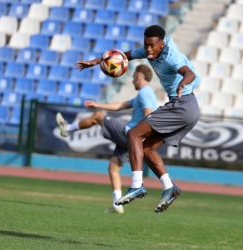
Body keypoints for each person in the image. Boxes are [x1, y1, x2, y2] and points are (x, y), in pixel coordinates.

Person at [75, 25, 200, 213]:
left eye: (152, 46)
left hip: (182, 105)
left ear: (161, 44)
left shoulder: (172, 57)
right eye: (146, 44)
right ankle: (169, 187)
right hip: (188, 109)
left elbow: (190, 73)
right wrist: (96, 61)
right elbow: (123, 56)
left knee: (133, 134)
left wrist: (183, 82)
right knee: (148, 149)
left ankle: (137, 185)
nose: (148, 49)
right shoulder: (148, 50)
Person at [56, 64, 157, 214]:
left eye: (133, 78)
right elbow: (120, 105)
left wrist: (142, 135)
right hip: (135, 141)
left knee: (97, 116)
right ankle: (117, 203)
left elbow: (149, 116)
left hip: (131, 135)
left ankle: (68, 129)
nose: (132, 82)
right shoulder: (145, 94)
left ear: (138, 76)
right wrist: (98, 104)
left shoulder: (145, 93)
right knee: (113, 168)